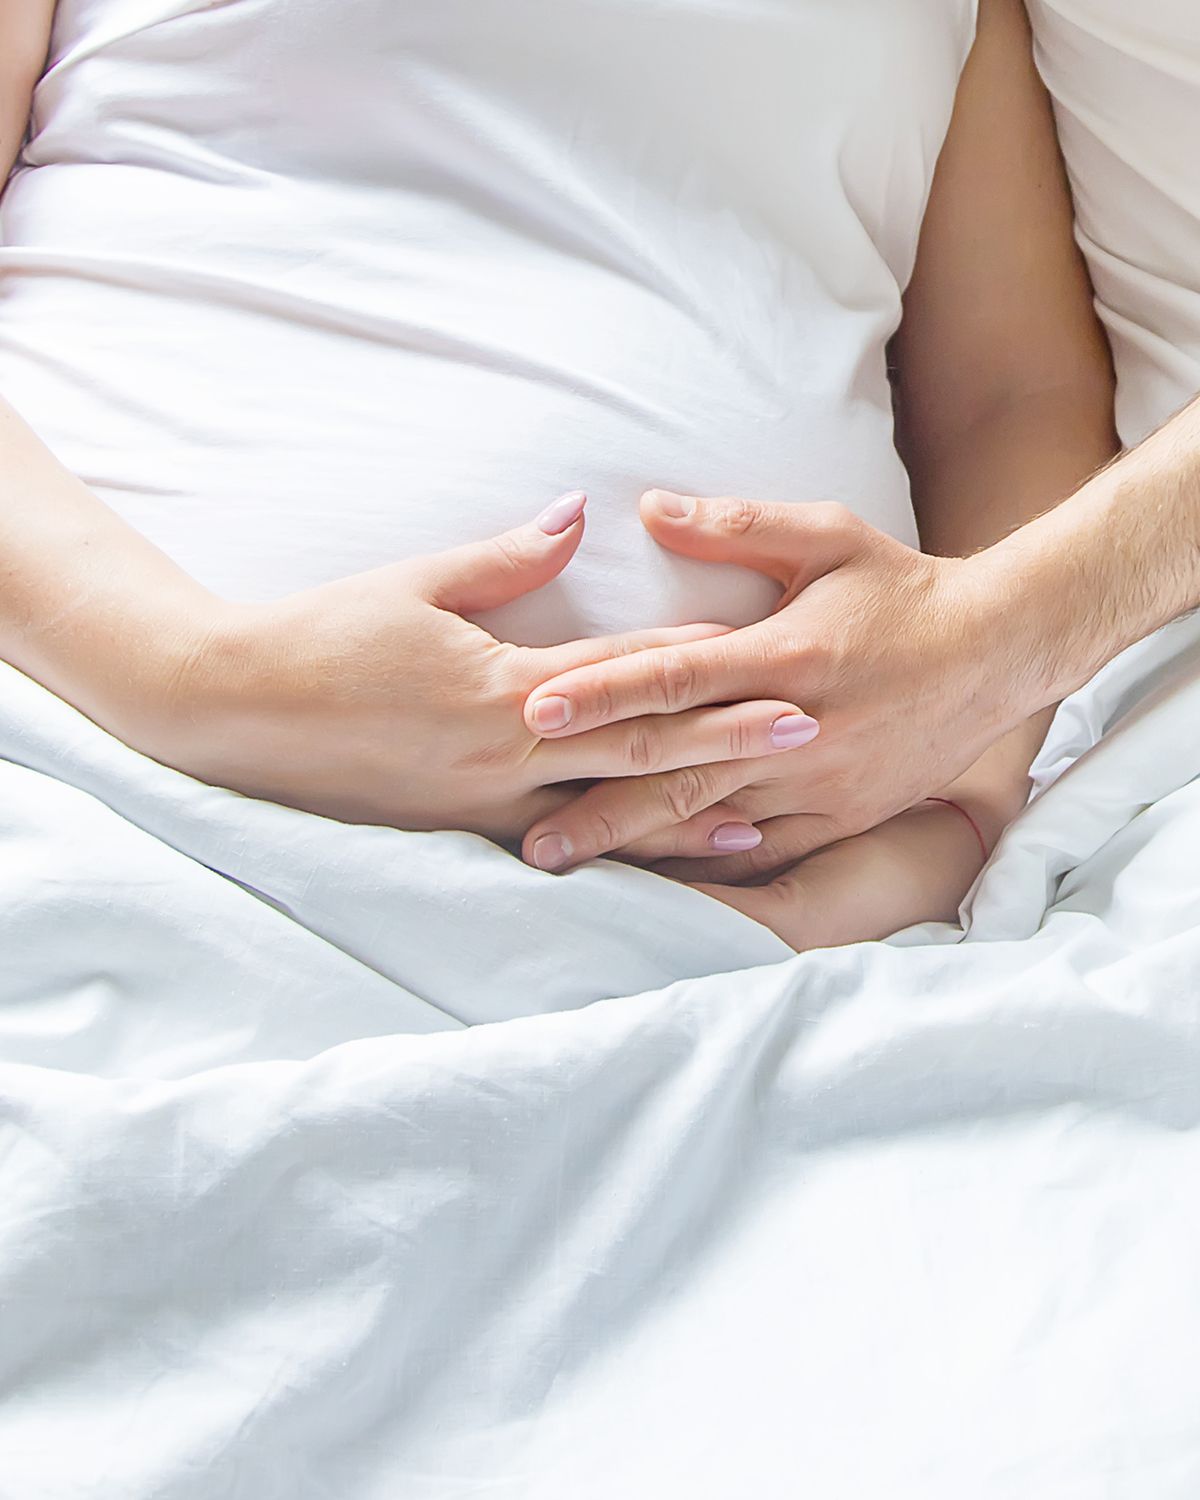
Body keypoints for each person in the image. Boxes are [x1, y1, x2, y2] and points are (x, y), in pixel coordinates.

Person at [0, 0, 1115, 951]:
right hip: (96, 773)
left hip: (751, 914)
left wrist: (963, 784)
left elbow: (1012, 398)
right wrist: (194, 682)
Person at [521, 0, 1200, 945]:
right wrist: (272, 690)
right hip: (274, 786)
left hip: (818, 851)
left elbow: (1011, 394)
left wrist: (970, 785)